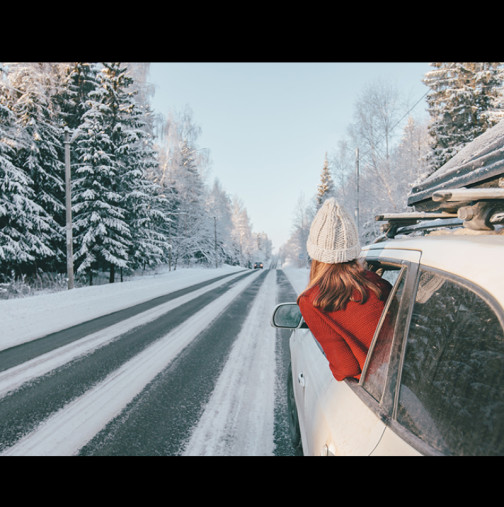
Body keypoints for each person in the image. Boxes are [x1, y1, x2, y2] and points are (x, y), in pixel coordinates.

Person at [297, 198, 392, 382]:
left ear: (315, 254)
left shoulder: (312, 301)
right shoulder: (379, 285)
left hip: (374, 387)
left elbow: (346, 368)